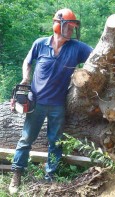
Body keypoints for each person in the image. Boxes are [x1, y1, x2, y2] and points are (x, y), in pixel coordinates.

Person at [9, 8, 93, 194]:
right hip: (37, 102)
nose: (71, 30)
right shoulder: (40, 44)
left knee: (55, 142)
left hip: (58, 104)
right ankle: (16, 174)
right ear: (57, 25)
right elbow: (27, 61)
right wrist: (25, 78)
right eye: (68, 26)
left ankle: (50, 176)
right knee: (26, 139)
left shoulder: (77, 47)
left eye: (73, 27)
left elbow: (96, 56)